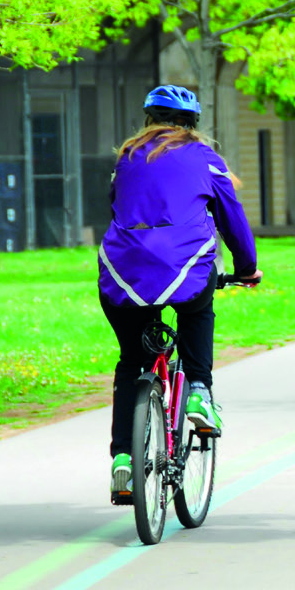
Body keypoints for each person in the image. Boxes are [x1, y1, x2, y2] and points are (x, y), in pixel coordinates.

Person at [98, 85, 261, 499]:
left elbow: (116, 206)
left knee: (133, 360)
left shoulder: (126, 159)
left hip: (124, 268)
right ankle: (200, 394)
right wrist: (246, 268)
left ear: (149, 120)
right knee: (196, 312)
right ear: (192, 125)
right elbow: (232, 218)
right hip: (184, 263)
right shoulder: (206, 159)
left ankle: (123, 460)